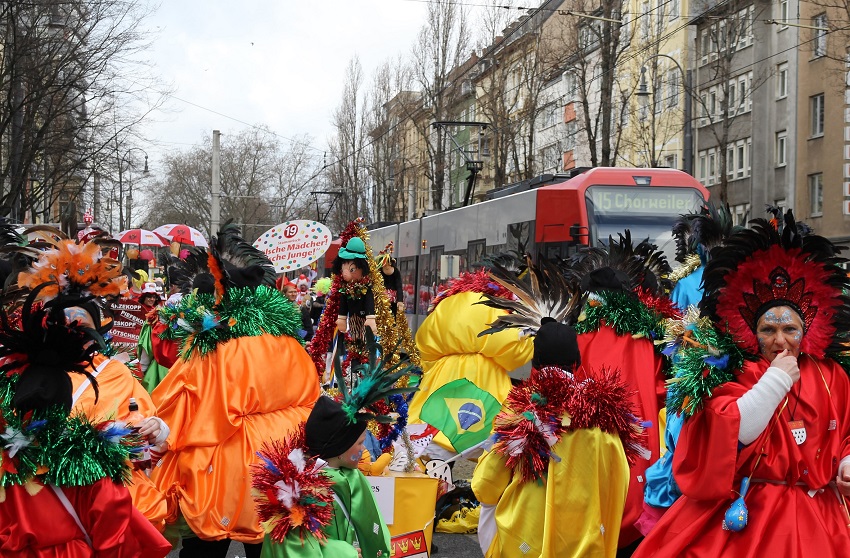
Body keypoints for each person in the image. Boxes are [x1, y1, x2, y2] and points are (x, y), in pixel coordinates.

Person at [633, 211, 850, 557]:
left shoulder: (830, 375)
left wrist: (845, 463)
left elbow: (845, 434)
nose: (780, 341)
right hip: (748, 517)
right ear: (752, 330)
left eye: (790, 330)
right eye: (768, 329)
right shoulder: (734, 370)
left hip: (819, 522)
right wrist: (775, 380)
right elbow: (728, 429)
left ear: (806, 330)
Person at [151, 224, 321, 558]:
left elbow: (180, 402)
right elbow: (310, 398)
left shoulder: (212, 346)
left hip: (225, 470)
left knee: (207, 547)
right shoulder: (288, 340)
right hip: (280, 461)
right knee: (269, 544)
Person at [470, 257, 642, 558]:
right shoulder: (604, 416)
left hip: (526, 542)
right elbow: (620, 481)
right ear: (576, 363)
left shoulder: (522, 410)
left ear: (535, 363)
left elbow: (486, 486)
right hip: (586, 543)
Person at [0, 279, 171, 556]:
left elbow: (142, 420)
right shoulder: (26, 372)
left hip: (109, 485)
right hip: (39, 485)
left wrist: (155, 428)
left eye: (82, 323)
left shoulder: (114, 372)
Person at [252, 337, 417, 558]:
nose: (363, 449)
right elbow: (296, 546)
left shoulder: (352, 476)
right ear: (340, 448)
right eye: (359, 443)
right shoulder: (298, 490)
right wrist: (345, 552)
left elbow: (371, 524)